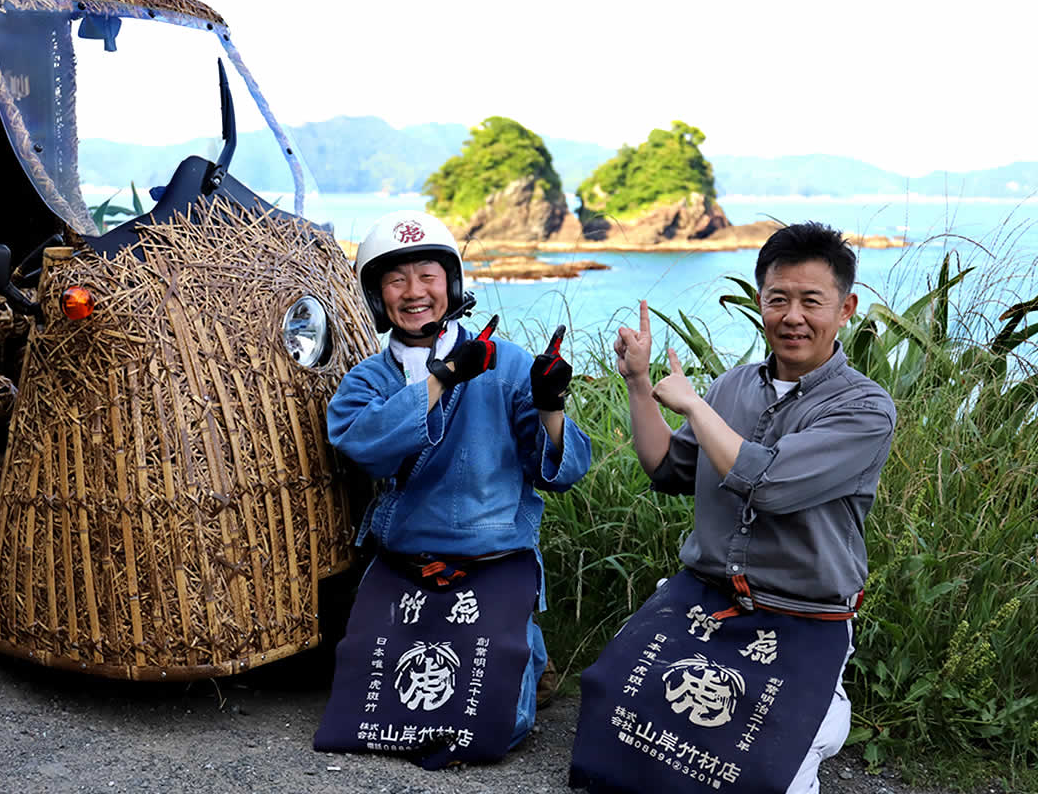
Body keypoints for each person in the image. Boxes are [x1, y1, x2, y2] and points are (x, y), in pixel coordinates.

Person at [569, 222, 896, 794]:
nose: (792, 316)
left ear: (846, 308)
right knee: (609, 724)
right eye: (778, 299)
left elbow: (766, 484)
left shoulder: (865, 408)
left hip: (799, 617)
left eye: (811, 301)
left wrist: (694, 404)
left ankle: (825, 716)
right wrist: (640, 383)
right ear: (760, 302)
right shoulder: (733, 386)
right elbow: (666, 469)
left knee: (769, 772)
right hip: (706, 600)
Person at [313, 210, 591, 769]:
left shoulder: (507, 363)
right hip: (403, 563)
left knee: (497, 727)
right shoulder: (368, 378)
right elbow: (362, 443)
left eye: (428, 276)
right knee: (360, 720)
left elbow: (560, 470)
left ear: (452, 283)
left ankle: (524, 652)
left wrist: (551, 405)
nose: (414, 292)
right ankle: (523, 655)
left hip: (493, 563)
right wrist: (443, 377)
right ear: (376, 295)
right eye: (396, 280)